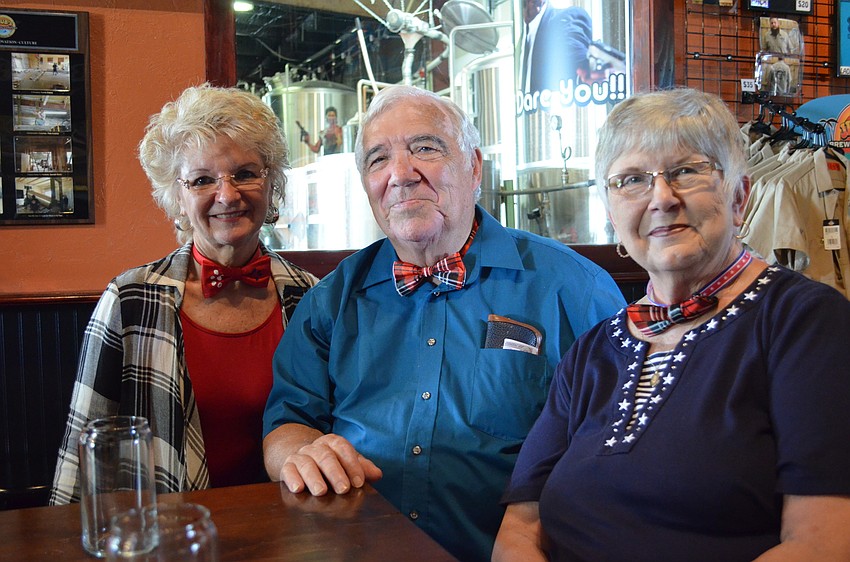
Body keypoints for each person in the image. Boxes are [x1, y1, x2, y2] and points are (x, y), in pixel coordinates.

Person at [262, 85, 625, 562]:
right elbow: (287, 423)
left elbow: (624, 446)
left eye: (425, 148)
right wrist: (302, 453)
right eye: (377, 160)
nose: (400, 175)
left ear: (474, 167)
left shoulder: (575, 289)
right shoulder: (331, 299)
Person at [494, 89, 850, 561]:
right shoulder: (594, 351)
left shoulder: (807, 323)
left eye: (687, 171)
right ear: (612, 215)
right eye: (632, 180)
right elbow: (519, 529)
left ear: (739, 196)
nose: (661, 198)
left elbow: (820, 544)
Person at [49, 84, 318, 505]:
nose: (227, 195)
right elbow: (81, 458)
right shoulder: (130, 301)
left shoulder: (309, 296)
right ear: (177, 197)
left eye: (245, 173)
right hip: (170, 539)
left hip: (290, 532)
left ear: (272, 185)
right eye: (202, 180)